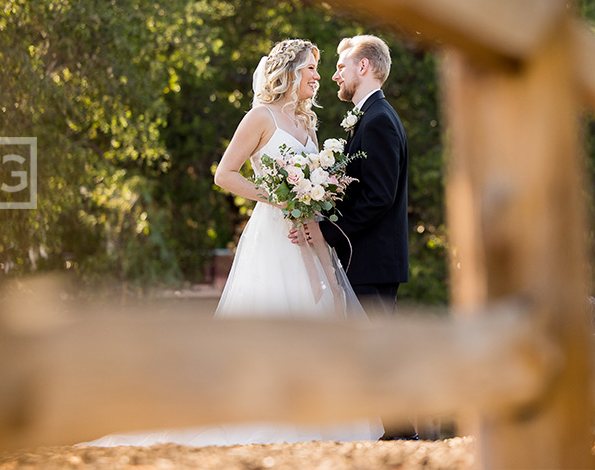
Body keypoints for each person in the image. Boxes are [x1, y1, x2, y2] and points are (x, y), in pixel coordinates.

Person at [83, 39, 382, 447]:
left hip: (308, 235)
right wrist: (276, 195)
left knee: (319, 316)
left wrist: (317, 196)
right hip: (274, 235)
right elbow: (224, 173)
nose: (318, 76)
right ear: (292, 72)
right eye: (311, 68)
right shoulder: (260, 117)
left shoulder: (309, 123)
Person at [292, 34, 416, 440]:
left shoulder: (379, 120)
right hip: (368, 260)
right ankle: (393, 434)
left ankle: (403, 436)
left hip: (374, 262)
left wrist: (325, 230)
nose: (334, 75)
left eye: (341, 67)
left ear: (364, 67)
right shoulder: (371, 116)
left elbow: (378, 198)